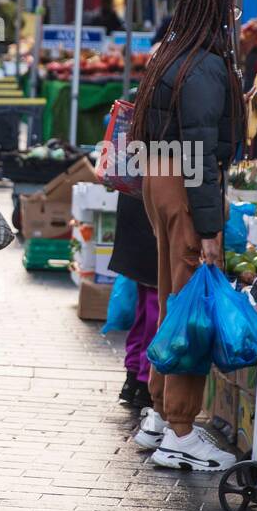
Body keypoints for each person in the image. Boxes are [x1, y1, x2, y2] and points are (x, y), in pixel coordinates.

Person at [129, 0, 249, 473]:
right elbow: (200, 152)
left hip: (160, 180)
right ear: (217, 9)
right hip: (184, 184)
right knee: (193, 309)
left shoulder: (168, 53)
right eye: (232, 8)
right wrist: (209, 229)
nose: (235, 17)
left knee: (173, 299)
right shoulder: (204, 66)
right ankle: (180, 429)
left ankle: (158, 414)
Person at [110, 160, 158, 413]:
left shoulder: (134, 122)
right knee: (156, 303)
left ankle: (134, 377)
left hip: (134, 199)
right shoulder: (165, 123)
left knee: (146, 300)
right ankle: (144, 381)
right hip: (154, 205)